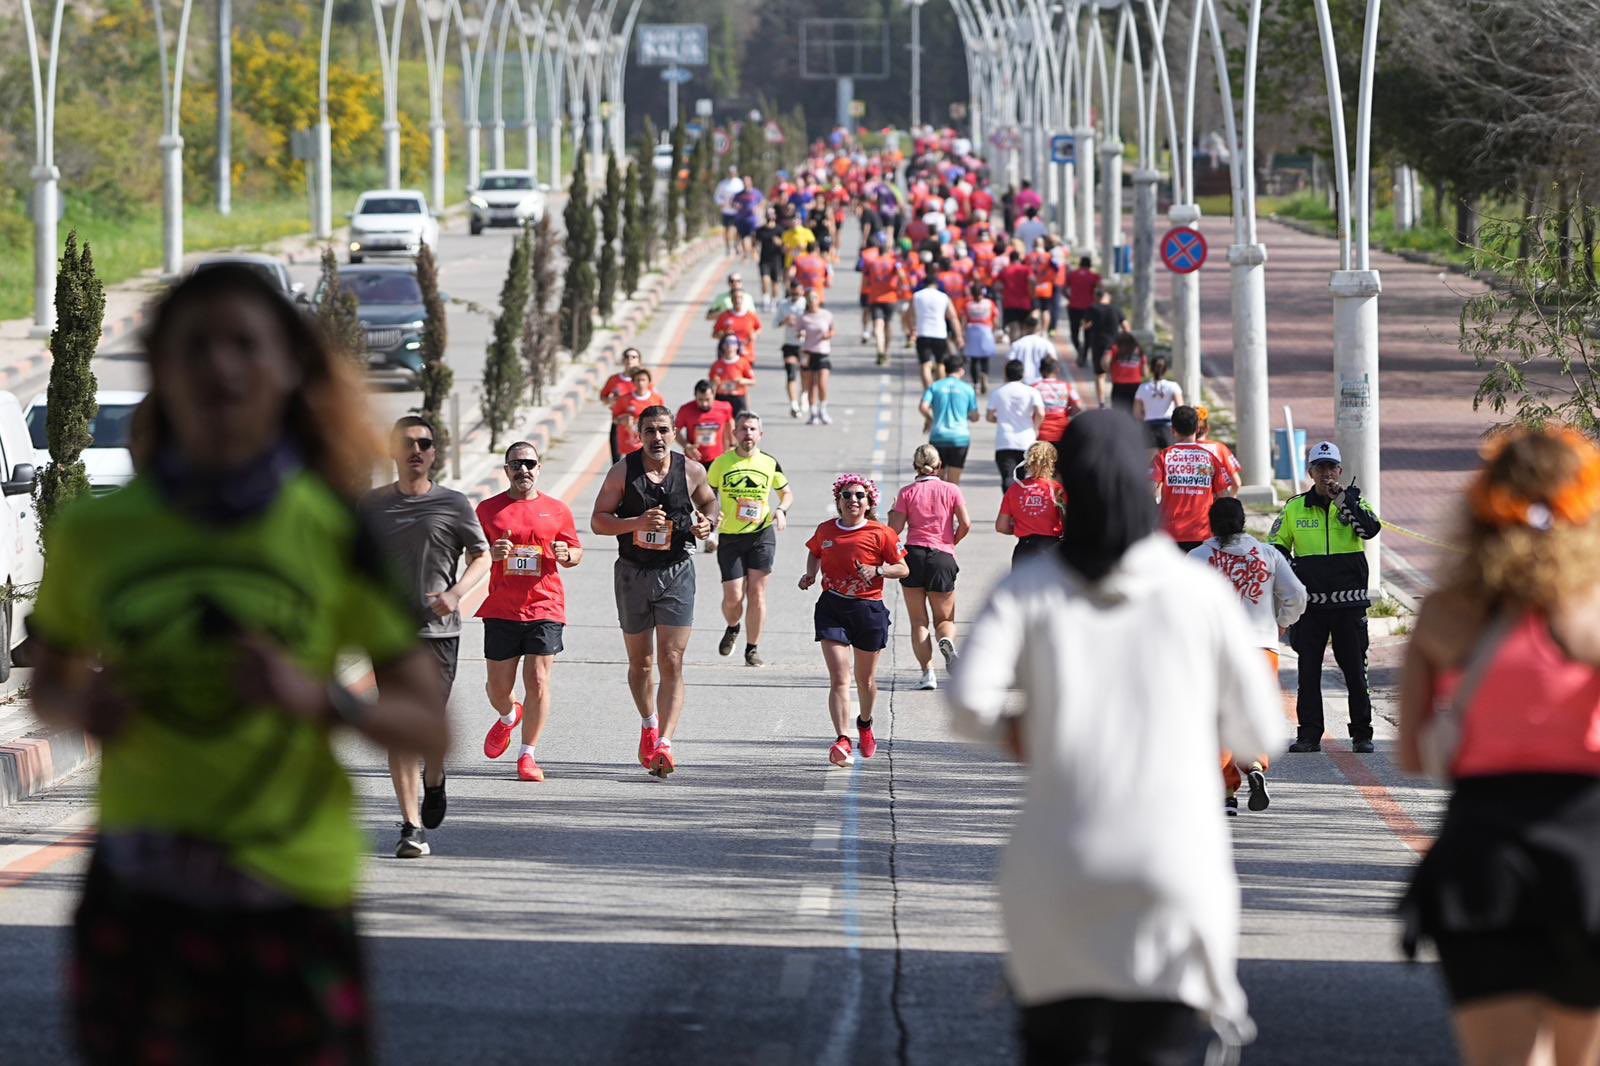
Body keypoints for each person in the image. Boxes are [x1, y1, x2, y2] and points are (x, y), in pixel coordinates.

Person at [29, 264, 450, 1065]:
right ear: (159, 369)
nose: (220, 367)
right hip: (140, 893)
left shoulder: (333, 529)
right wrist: (85, 708)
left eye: (244, 345)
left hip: (292, 893)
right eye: (195, 346)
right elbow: (47, 679)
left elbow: (428, 720)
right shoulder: (96, 532)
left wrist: (323, 700)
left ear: (286, 368)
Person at [946, 410, 1284, 1066]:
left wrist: (1031, 733)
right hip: (1174, 864)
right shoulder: (1198, 592)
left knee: (1059, 1048)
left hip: (1059, 862)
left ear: (1070, 483)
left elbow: (966, 703)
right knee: (1156, 1049)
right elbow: (1262, 729)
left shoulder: (1031, 587)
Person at [1396, 427, 1600, 1066]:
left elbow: (1410, 754)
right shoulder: (1594, 612)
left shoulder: (1444, 613)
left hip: (1484, 859)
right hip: (1590, 859)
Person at [361, 416, 491, 857]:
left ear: (434, 453)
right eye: (408, 443)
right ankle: (410, 826)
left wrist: (456, 593)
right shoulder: (372, 506)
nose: (416, 449)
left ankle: (434, 778)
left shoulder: (453, 504)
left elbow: (482, 557)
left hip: (439, 632)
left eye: (425, 443)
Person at [591, 406, 720, 778]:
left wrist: (707, 523)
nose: (657, 438)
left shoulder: (691, 469)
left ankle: (665, 742)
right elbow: (598, 521)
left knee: (672, 659)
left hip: (677, 571)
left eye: (663, 430)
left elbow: (710, 501)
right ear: (639, 434)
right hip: (633, 574)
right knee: (641, 664)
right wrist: (636, 523)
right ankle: (649, 723)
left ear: (675, 432)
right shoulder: (623, 472)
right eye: (650, 431)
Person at [1188, 497, 1306, 815]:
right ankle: (1254, 763)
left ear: (1210, 523)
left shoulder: (1197, 557)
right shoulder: (1268, 554)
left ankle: (1225, 791)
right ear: (1243, 522)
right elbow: (1297, 596)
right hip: (1261, 648)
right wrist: (1280, 623)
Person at [476, 441, 584, 783]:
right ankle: (509, 716)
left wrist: (567, 555)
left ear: (539, 468)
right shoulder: (488, 510)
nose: (523, 469)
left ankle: (527, 756)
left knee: (538, 679)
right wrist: (493, 553)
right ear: (506, 470)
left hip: (546, 605)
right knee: (497, 690)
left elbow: (575, 551)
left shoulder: (557, 510)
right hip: (502, 608)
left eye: (530, 463)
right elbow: (472, 556)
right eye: (516, 464)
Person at [1269, 440, 1382, 753]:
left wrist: (1344, 501)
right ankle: (1308, 734)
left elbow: (1370, 529)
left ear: (1340, 470)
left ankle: (1362, 734)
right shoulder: (1294, 507)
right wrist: (1295, 578)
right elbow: (1276, 549)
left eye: (1332, 466)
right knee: (1308, 671)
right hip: (1311, 606)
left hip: (1349, 604)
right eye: (1320, 467)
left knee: (1355, 671)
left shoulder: (1355, 501)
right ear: (1310, 472)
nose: (1326, 473)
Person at [800, 475, 910, 767]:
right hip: (832, 606)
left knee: (866, 680)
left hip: (868, 610)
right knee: (839, 677)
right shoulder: (826, 530)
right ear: (838, 501)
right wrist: (811, 574)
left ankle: (864, 723)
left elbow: (903, 568)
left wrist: (879, 571)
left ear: (869, 502)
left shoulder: (881, 533)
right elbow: (814, 553)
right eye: (847, 495)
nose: (853, 500)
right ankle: (842, 738)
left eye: (859, 496)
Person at [707, 412, 794, 668]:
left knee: (757, 592)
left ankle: (752, 648)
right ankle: (733, 626)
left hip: (761, 534)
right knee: (733, 597)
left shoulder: (769, 463)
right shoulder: (721, 463)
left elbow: (786, 493)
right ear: (735, 433)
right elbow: (707, 493)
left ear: (760, 435)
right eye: (743, 429)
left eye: (753, 429)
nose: (748, 434)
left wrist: (781, 510)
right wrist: (713, 511)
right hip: (730, 536)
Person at [889, 446, 972, 691]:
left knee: (918, 622)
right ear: (940, 466)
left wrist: (891, 513)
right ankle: (946, 639)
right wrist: (950, 542)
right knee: (944, 618)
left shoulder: (907, 492)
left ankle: (928, 674)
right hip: (942, 556)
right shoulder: (951, 490)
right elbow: (966, 523)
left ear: (915, 466)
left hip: (913, 555)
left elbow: (894, 530)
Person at [1151, 405, 1238, 552]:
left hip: (1170, 535)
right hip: (1203, 534)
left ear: (1173, 430)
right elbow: (1223, 496)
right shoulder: (1210, 458)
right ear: (1197, 429)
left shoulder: (1164, 456)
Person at [997, 441, 1066, 565]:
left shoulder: (1015, 489)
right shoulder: (1057, 489)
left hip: (1024, 549)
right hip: (1051, 549)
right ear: (1052, 462)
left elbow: (1001, 526)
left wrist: (1023, 529)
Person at [987, 358, 1046, 492]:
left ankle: (1009, 506)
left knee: (1007, 477)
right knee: (1023, 477)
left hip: (1005, 441)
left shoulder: (998, 392)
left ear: (1006, 374)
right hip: (1026, 440)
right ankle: (1020, 507)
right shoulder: (1032, 392)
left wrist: (1000, 419)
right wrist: (1035, 427)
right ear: (1022, 374)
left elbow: (989, 416)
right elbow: (1041, 413)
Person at [911, 276, 964, 389]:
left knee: (925, 365)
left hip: (923, 333)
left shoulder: (917, 296)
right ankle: (939, 391)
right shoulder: (944, 297)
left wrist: (911, 329)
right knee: (940, 364)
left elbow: (909, 315)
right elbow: (953, 317)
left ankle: (928, 392)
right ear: (936, 285)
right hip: (940, 334)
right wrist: (959, 336)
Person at [797, 288, 836, 425]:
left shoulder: (826, 315)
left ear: (819, 301)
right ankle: (813, 412)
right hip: (808, 352)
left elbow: (832, 330)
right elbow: (798, 332)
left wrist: (829, 335)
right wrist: (801, 334)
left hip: (823, 352)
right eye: (810, 299)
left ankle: (823, 409)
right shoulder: (804, 317)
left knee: (822, 383)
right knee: (810, 384)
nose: (813, 302)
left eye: (815, 299)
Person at [600, 347, 644, 463]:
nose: (630, 360)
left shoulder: (643, 380)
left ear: (639, 361)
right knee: (616, 461)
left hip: (638, 425)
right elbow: (603, 397)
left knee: (641, 461)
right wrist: (610, 401)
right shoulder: (615, 379)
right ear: (622, 360)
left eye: (634, 357)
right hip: (618, 422)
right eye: (627, 357)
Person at [1084, 288, 1126, 407]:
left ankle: (1101, 402)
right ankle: (1116, 401)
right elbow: (1126, 328)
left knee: (1100, 374)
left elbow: (1085, 326)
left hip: (1098, 344)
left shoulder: (1093, 308)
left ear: (1097, 298)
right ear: (1108, 297)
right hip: (1115, 346)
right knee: (1115, 374)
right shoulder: (1116, 309)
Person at [613, 365, 666, 458]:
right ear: (633, 382)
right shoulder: (624, 399)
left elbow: (664, 419)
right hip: (630, 442)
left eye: (643, 380)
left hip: (650, 440)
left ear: (649, 382)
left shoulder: (657, 399)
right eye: (638, 380)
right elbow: (615, 419)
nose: (640, 383)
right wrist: (622, 420)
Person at [775, 279, 810, 418]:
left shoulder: (807, 304)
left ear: (802, 291)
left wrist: (805, 331)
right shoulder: (784, 305)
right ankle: (794, 405)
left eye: (798, 292)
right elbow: (775, 323)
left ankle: (804, 395)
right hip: (789, 344)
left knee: (805, 373)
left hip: (805, 345)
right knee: (791, 373)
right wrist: (785, 321)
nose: (795, 295)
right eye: (793, 292)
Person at [1032, 355, 1083, 450]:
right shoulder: (1066, 386)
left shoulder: (1033, 388)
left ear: (1040, 371)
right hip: (1062, 433)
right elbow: (1079, 406)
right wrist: (1067, 413)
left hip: (1041, 435)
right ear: (1057, 370)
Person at [1133, 355, 1183, 449]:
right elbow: (1180, 409)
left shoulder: (1142, 388)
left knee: (1151, 460)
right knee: (1169, 459)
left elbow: (1137, 414)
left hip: (1149, 428)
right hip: (1168, 428)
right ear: (1166, 370)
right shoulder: (1173, 386)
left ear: (1151, 369)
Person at [963, 280, 999, 392]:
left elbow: (964, 320)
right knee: (985, 357)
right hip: (986, 330)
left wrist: (963, 334)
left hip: (972, 330)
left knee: (974, 359)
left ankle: (976, 383)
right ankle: (984, 375)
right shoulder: (989, 303)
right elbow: (996, 318)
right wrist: (994, 330)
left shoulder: (968, 305)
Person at [1063, 256, 1101, 362]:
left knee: (1074, 331)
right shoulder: (1094, 276)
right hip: (1089, 308)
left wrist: (1069, 298)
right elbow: (1100, 291)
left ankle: (1078, 348)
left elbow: (1063, 289)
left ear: (1080, 264)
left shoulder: (1072, 275)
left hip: (1074, 307)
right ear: (1090, 265)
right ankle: (1084, 354)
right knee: (1088, 332)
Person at [999, 243, 1036, 338]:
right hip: (1025, 302)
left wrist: (1003, 293)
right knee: (1024, 327)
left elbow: (997, 286)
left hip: (1009, 302)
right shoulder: (1027, 269)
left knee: (1013, 327)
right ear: (1019, 259)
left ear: (1010, 259)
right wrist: (1032, 295)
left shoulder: (1005, 270)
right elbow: (1032, 281)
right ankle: (1022, 347)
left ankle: (1014, 347)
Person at [712, 290, 763, 358]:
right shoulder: (724, 316)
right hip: (728, 355)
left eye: (740, 297)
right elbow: (714, 334)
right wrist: (725, 334)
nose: (737, 300)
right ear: (731, 300)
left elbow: (759, 328)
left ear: (743, 299)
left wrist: (755, 334)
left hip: (746, 354)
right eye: (735, 297)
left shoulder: (751, 315)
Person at [1008, 313, 1056, 385]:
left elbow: (1010, 361)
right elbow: (1053, 358)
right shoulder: (1046, 343)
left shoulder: (1017, 344)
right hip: (1039, 381)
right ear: (1038, 327)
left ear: (1025, 327)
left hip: (1021, 381)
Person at [1107, 332, 1147, 414]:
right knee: (1135, 412)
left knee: (1117, 412)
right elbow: (1145, 372)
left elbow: (1105, 363)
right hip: (1136, 386)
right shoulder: (1139, 351)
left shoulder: (1116, 349)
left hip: (1119, 386)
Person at [754, 213, 787, 309]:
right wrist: (755, 253)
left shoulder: (780, 230)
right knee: (765, 280)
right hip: (764, 259)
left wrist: (779, 243)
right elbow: (756, 243)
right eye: (768, 215)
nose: (770, 217)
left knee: (775, 283)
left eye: (772, 215)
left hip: (777, 260)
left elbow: (785, 246)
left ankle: (774, 301)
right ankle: (766, 301)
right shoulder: (760, 230)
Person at [715, 167, 745, 255]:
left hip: (737, 211)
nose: (732, 174)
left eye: (733, 172)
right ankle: (728, 247)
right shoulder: (723, 184)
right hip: (727, 211)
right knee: (727, 230)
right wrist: (721, 203)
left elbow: (743, 195)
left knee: (738, 229)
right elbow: (717, 196)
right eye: (730, 172)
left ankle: (736, 244)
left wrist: (741, 204)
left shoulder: (739, 183)